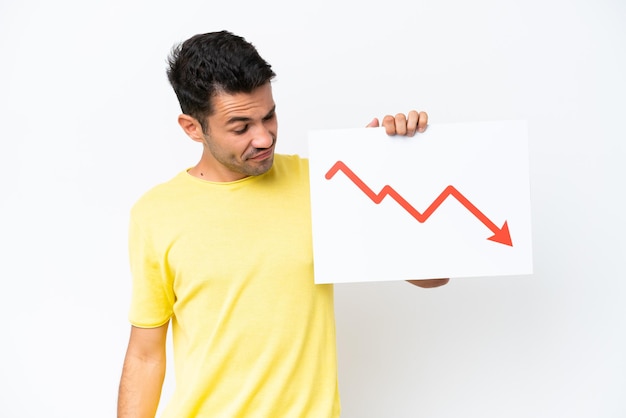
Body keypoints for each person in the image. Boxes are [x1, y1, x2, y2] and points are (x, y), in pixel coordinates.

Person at [117, 30, 449, 418]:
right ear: (192, 127)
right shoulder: (155, 213)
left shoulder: (323, 183)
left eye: (269, 116)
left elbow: (433, 277)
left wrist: (385, 169)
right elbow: (145, 355)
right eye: (240, 127)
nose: (263, 137)